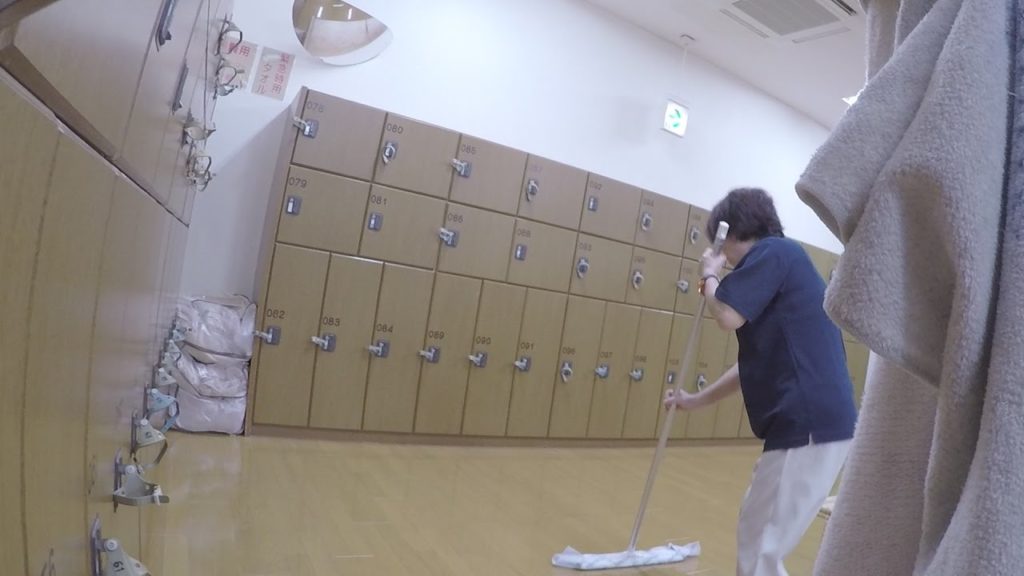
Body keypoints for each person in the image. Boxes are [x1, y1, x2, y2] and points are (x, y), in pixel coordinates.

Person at [664, 187, 857, 576]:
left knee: (760, 546)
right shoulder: (784, 267)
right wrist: (694, 400)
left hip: (807, 425)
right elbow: (748, 368)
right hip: (814, 426)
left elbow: (726, 317)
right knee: (758, 533)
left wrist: (708, 276)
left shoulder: (775, 252)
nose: (726, 260)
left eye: (722, 248)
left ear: (732, 233)